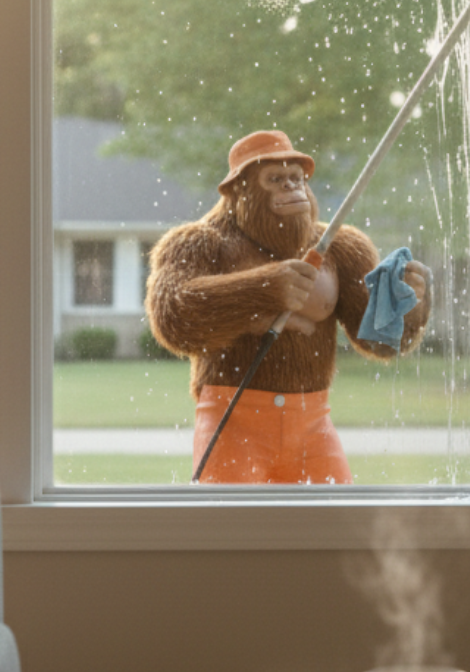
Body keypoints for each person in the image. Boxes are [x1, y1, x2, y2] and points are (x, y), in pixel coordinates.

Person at [145, 130, 431, 484]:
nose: (292, 188)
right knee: (230, 529)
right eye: (276, 180)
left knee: (335, 526)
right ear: (241, 190)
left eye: (297, 179)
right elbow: (172, 317)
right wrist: (263, 289)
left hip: (311, 421)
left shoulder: (340, 246)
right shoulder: (200, 243)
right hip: (233, 418)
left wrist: (409, 306)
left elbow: (379, 341)